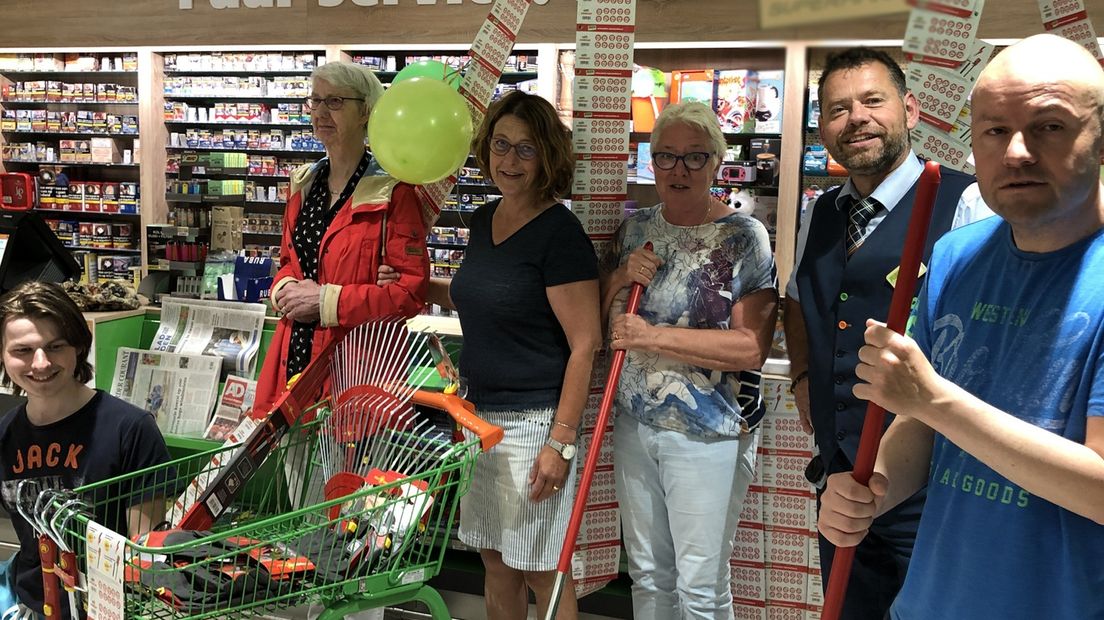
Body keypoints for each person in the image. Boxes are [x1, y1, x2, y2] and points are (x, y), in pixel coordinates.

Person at [818, 34, 1104, 619]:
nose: (1017, 152)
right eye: (995, 130)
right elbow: (919, 425)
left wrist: (933, 400)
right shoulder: (956, 256)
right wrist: (874, 492)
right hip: (930, 601)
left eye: (1049, 125)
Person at [782, 47, 993, 617]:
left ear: (911, 109)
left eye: (873, 101)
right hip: (840, 479)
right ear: (822, 126)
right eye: (837, 108)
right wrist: (801, 375)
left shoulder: (968, 203)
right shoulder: (820, 212)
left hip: (932, 491)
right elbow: (800, 299)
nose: (857, 118)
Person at [380, 90, 601, 619]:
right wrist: (415, 285)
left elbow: (586, 342)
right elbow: (478, 294)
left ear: (548, 156)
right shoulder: (484, 220)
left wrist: (561, 444)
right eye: (501, 146)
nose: (509, 161)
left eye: (526, 150)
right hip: (479, 422)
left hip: (533, 425)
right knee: (496, 562)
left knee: (541, 570)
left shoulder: (559, 233)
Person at [599, 101, 778, 619]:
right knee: (649, 576)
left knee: (700, 586)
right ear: (649, 162)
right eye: (666, 157)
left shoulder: (744, 237)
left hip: (709, 431)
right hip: (636, 425)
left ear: (717, 162)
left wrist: (654, 336)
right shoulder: (634, 230)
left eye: (695, 158)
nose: (679, 170)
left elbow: (751, 348)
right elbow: (598, 317)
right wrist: (617, 277)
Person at [254, 61, 429, 414]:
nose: (320, 112)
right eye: (315, 101)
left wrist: (325, 301)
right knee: (293, 466)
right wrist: (284, 290)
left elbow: (409, 292)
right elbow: (289, 261)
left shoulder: (393, 193)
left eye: (334, 102)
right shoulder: (304, 184)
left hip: (355, 371)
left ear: (366, 112)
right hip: (293, 361)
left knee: (344, 469)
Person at [0, 281, 171, 618]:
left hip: (111, 610)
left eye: (55, 346)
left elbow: (142, 556)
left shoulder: (130, 429)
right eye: (22, 350)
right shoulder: (5, 435)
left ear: (78, 347)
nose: (41, 363)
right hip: (34, 605)